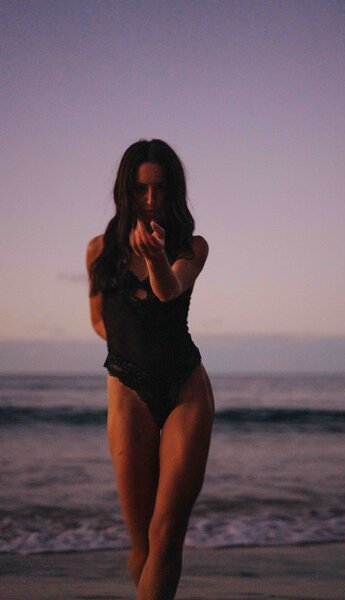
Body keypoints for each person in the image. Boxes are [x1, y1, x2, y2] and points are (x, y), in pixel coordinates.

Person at [86, 139, 215, 600]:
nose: (150, 200)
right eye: (141, 190)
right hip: (127, 393)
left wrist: (158, 258)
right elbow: (100, 322)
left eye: (160, 190)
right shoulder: (99, 250)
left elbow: (170, 291)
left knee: (166, 535)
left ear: (173, 191)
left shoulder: (191, 246)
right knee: (141, 541)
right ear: (126, 190)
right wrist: (131, 345)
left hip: (185, 389)